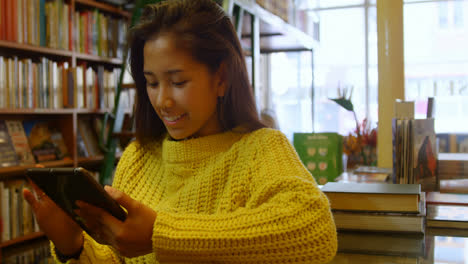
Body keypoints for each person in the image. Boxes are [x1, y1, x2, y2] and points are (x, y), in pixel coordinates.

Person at [23, 0, 337, 263]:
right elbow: (115, 258)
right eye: (152, 82)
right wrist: (73, 246)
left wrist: (161, 234)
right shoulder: (138, 159)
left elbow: (315, 231)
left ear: (222, 77)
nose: (163, 100)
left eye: (178, 82)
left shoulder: (261, 149)